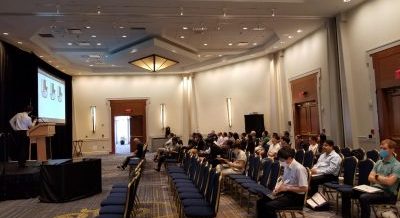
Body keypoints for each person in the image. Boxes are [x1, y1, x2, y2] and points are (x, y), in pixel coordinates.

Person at [341, 139, 400, 218]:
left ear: (392, 149)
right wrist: (382, 178)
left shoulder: (397, 165)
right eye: (381, 148)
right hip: (374, 189)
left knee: (364, 198)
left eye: (384, 149)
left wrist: (376, 177)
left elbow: (389, 182)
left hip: (388, 194)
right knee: (346, 192)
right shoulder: (379, 163)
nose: (381, 151)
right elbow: (369, 178)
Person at [256, 146, 309, 218]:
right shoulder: (287, 165)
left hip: (296, 198)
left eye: (281, 159)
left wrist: (287, 188)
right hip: (286, 193)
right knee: (260, 202)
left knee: (269, 206)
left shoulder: (299, 169)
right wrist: (277, 189)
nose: (280, 161)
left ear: (290, 158)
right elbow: (284, 181)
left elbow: (304, 188)